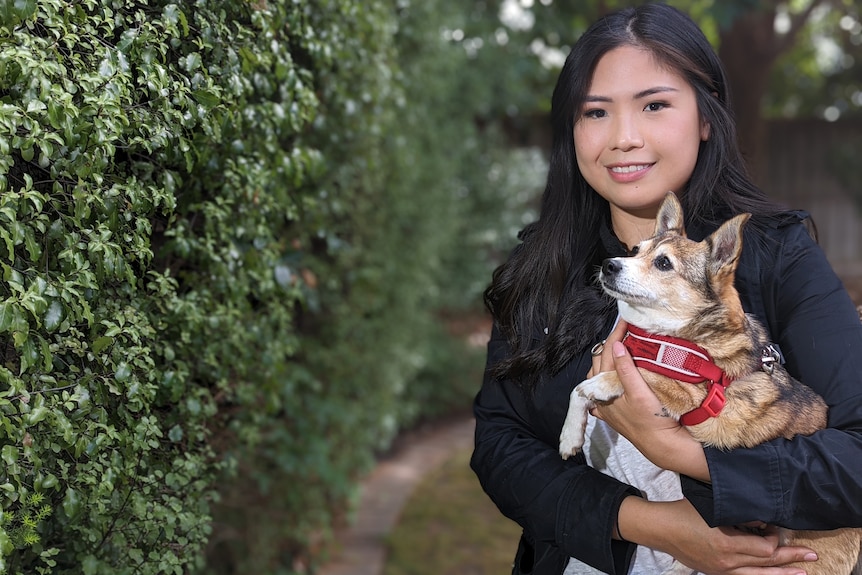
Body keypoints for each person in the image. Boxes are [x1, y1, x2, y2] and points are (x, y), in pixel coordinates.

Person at [470, 4, 862, 575]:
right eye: (595, 112)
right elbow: (500, 448)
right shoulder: (540, 267)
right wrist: (651, 525)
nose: (624, 138)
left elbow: (855, 455)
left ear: (706, 117)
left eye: (655, 105)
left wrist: (681, 454)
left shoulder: (776, 257)